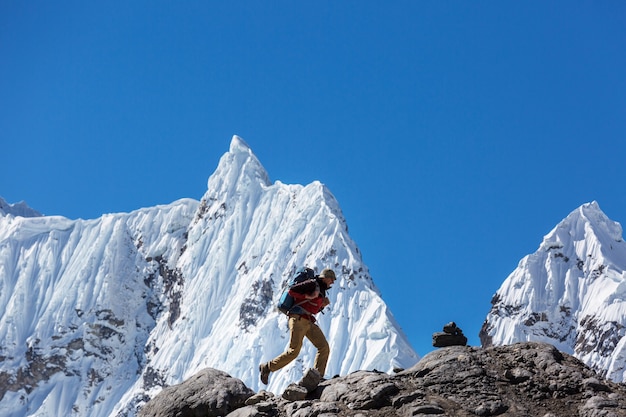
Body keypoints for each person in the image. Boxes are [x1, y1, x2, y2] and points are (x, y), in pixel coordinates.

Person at [259, 268, 337, 385]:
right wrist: (309, 296)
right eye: (332, 279)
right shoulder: (312, 283)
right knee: (294, 351)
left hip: (308, 321)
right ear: (325, 277)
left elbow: (312, 308)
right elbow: (292, 291)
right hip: (298, 319)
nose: (332, 282)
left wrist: (322, 306)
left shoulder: (321, 290)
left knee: (324, 347)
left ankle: (317, 377)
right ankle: (267, 367)